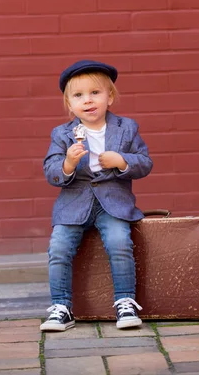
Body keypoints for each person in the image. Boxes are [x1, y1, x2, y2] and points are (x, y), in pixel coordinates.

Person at [40, 59, 153, 332]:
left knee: (119, 242)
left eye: (95, 93)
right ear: (69, 104)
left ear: (110, 97)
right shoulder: (62, 134)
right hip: (73, 204)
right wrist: (67, 163)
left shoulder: (126, 128)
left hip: (113, 204)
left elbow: (145, 163)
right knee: (58, 248)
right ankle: (61, 307)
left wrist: (121, 160)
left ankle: (125, 301)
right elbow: (51, 172)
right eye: (78, 96)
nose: (87, 101)